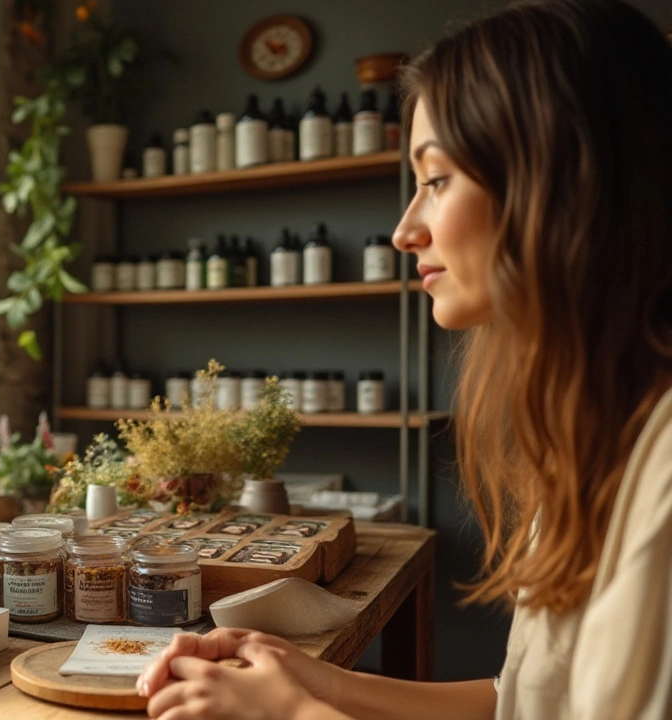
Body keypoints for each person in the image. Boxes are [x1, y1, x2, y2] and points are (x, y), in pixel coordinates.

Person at [136, 1, 672, 718]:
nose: (403, 230)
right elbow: (531, 704)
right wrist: (313, 680)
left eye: (438, 179)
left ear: (563, 183)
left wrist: (291, 715)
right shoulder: (600, 436)